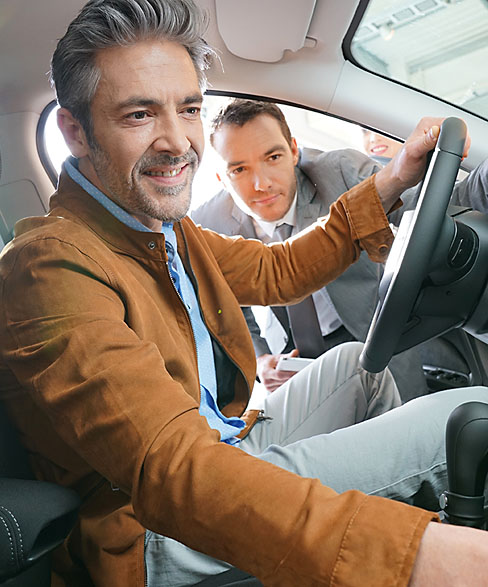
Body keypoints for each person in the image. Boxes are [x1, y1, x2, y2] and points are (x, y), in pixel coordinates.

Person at [1, 1, 488, 586]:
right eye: (138, 115)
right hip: (147, 527)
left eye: (188, 109)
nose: (176, 141)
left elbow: (280, 269)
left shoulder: (162, 230)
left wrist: (392, 180)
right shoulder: (48, 266)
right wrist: (412, 556)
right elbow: (173, 471)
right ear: (75, 131)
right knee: (453, 420)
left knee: (361, 367)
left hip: (222, 442)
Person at [192, 101, 423, 401]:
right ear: (221, 178)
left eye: (273, 157)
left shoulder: (341, 173)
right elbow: (226, 308)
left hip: (372, 334)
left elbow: (423, 205)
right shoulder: (206, 224)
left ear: (294, 151)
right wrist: (259, 359)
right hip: (295, 362)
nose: (261, 184)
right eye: (239, 169)